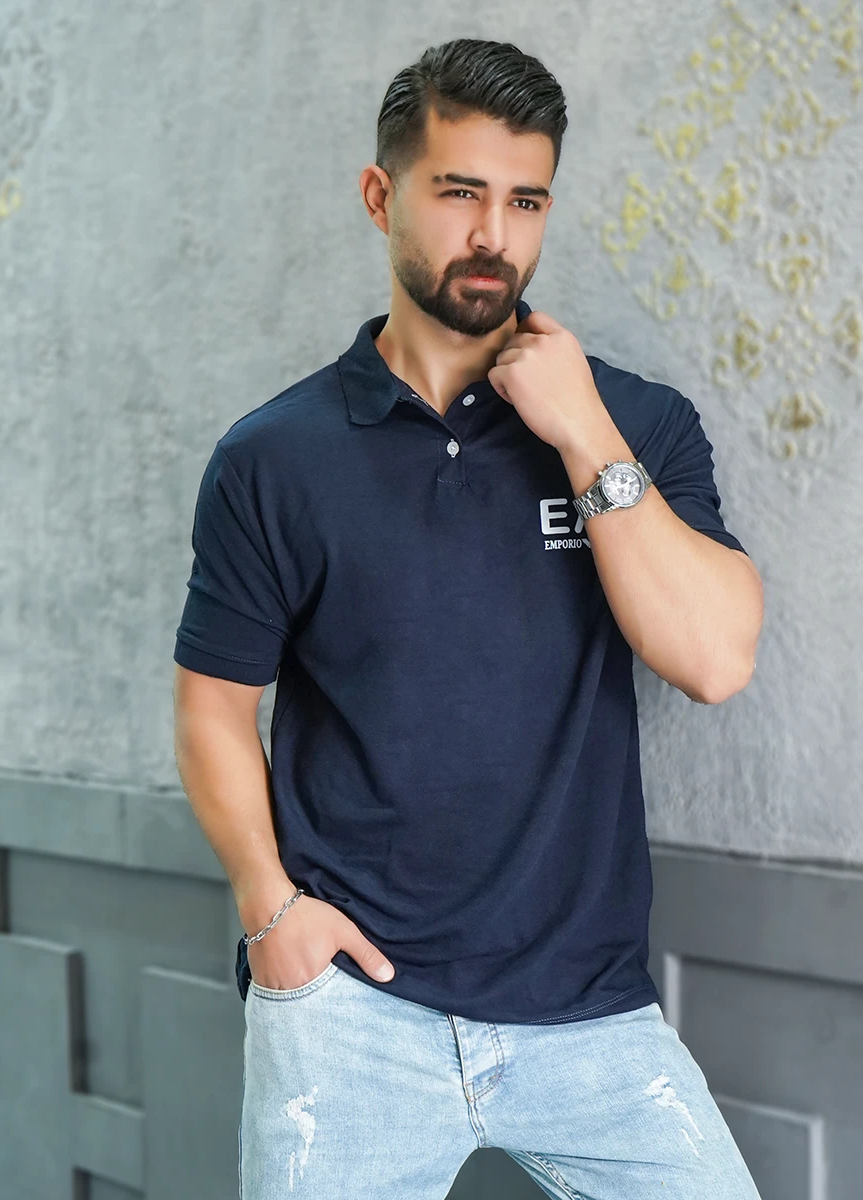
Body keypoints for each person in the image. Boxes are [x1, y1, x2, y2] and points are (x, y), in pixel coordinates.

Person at [172, 36, 765, 1200]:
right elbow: (212, 709)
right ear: (380, 195)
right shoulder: (274, 459)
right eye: (459, 193)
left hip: (591, 1013)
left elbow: (713, 658)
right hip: (352, 1016)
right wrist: (270, 912)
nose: (495, 233)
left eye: (525, 200)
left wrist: (582, 432)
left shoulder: (636, 422)